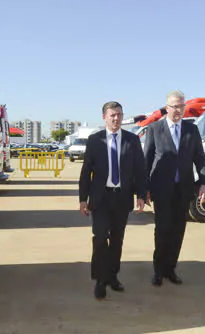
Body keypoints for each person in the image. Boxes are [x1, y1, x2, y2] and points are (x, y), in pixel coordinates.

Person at [79, 101, 147, 300]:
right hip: (100, 198)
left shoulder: (132, 140)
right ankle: (100, 280)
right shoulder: (94, 140)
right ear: (104, 117)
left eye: (119, 114)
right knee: (100, 238)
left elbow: (140, 171)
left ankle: (112, 276)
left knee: (117, 240)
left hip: (122, 198)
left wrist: (141, 195)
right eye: (112, 115)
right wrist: (83, 198)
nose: (116, 118)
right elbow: (86, 172)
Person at [144, 90, 205, 286]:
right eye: (174, 106)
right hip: (162, 189)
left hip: (184, 189)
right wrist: (144, 189)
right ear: (167, 108)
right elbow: (146, 160)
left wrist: (204, 183)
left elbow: (199, 157)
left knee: (178, 230)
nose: (178, 110)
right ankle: (158, 270)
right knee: (163, 229)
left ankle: (171, 269)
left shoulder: (191, 129)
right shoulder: (155, 128)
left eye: (181, 106)